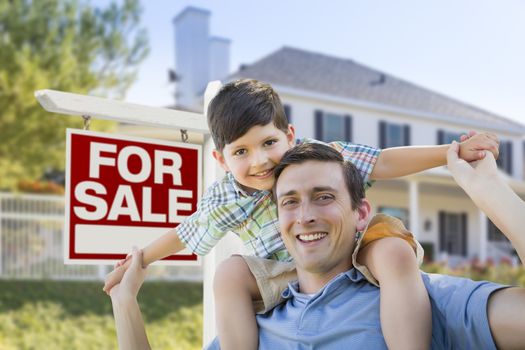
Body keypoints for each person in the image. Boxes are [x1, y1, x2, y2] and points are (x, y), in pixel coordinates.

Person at [104, 79, 500, 350]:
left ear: (290, 136)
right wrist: (138, 261)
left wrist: (449, 154)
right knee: (229, 273)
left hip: (352, 247)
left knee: (393, 252)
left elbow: (382, 161)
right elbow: (185, 233)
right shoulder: (224, 197)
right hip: (282, 271)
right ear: (220, 160)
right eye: (241, 152)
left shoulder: (321, 159)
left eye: (269, 143)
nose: (260, 161)